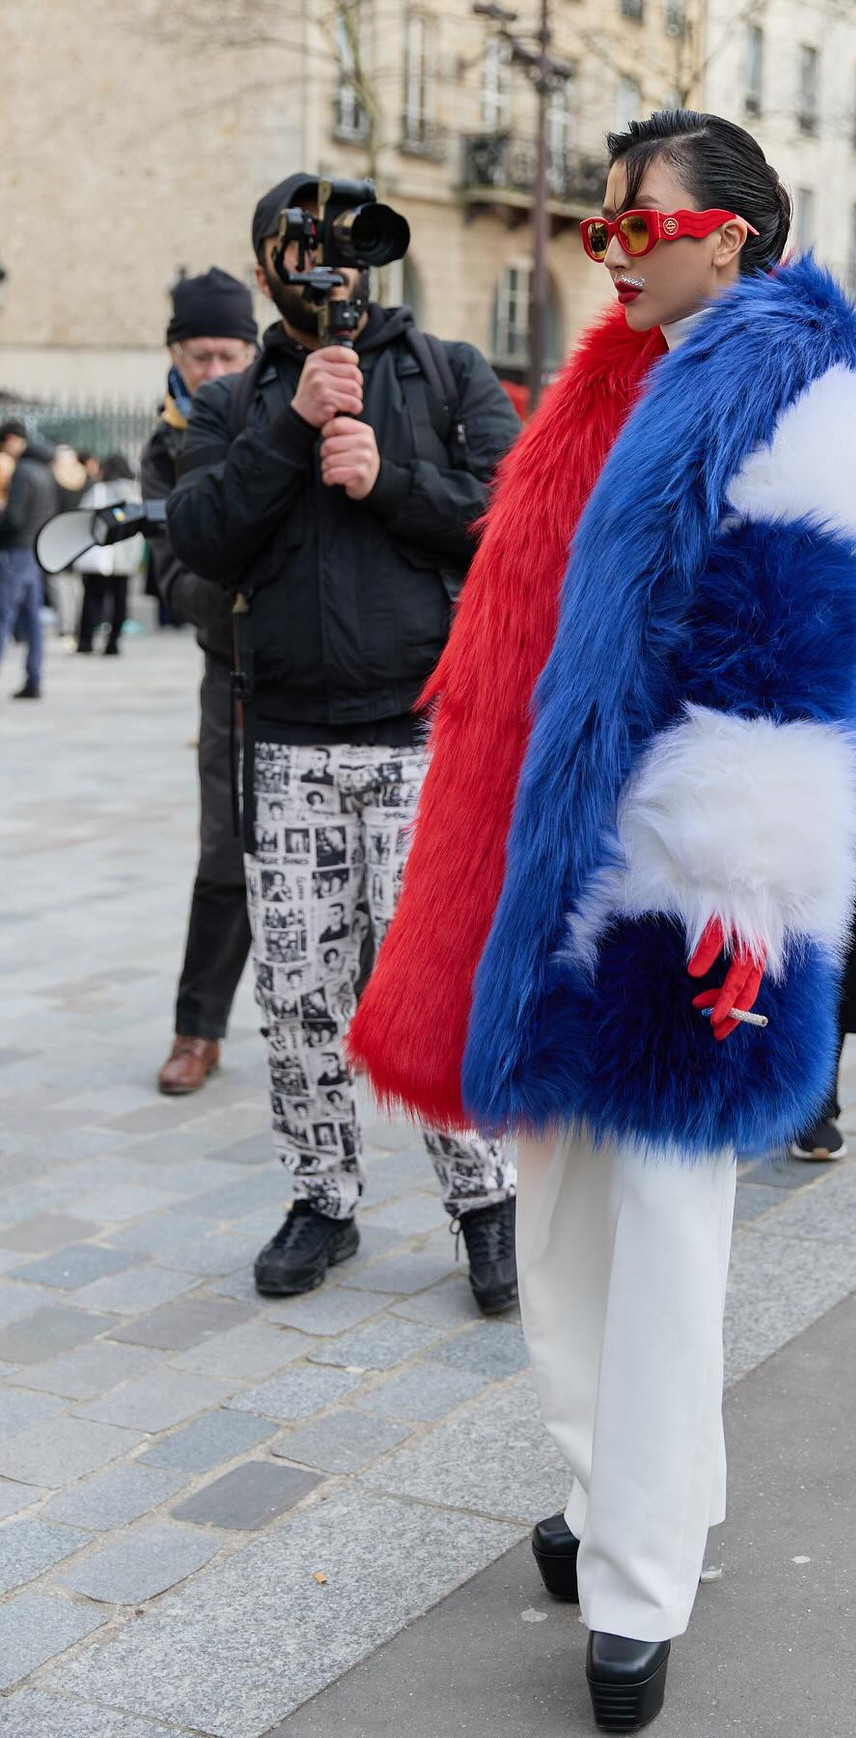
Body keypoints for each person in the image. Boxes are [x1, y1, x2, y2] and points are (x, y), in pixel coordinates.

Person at [348, 110, 856, 1730]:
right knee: (564, 1225)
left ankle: (640, 1581)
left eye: (632, 225)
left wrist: (734, 899)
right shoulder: (620, 381)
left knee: (659, 1242)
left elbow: (786, 672)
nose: (609, 251)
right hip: (557, 873)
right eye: (599, 228)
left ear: (727, 233)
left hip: (682, 889)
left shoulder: (793, 389)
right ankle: (611, 1492)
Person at [166, 175, 523, 1310]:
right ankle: (322, 1201)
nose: (338, 271)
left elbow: (515, 519)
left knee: (433, 981)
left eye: (352, 250)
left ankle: (487, 1204)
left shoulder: (447, 370)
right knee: (299, 993)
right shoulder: (236, 400)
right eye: (310, 251)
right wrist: (290, 426)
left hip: (421, 736)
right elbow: (200, 539)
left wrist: (388, 482)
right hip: (285, 744)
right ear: (270, 269)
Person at [145, 268, 261, 1096]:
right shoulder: (165, 446)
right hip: (230, 669)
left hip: (325, 673)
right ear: (175, 356)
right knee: (225, 850)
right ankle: (198, 1029)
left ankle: (368, 1022)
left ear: (251, 352)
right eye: (199, 355)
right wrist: (243, 587)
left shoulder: (292, 410)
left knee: (362, 855)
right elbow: (173, 577)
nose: (214, 370)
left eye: (228, 354)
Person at [0, 418, 57, 699]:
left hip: (16, 551)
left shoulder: (24, 471)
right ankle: (34, 679)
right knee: (33, 620)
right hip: (36, 550)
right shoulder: (45, 469)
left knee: (3, 616)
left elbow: (14, 518)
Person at [74, 455, 144, 654]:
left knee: (91, 599)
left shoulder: (99, 491)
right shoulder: (135, 493)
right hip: (124, 559)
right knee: (119, 602)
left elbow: (83, 518)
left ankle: (85, 642)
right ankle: (113, 643)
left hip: (99, 555)